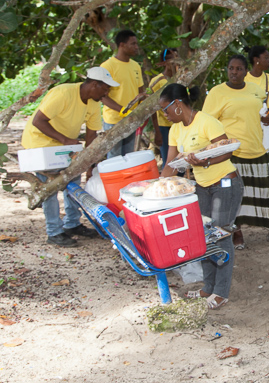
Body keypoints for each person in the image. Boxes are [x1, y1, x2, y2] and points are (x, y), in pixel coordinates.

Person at [159, 84, 242, 310]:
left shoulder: (206, 122)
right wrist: (156, 187)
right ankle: (208, 287)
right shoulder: (176, 130)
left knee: (221, 234)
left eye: (165, 109)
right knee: (203, 235)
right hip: (203, 186)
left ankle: (221, 292)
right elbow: (170, 164)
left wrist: (205, 162)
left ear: (178, 104)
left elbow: (228, 149)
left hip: (225, 183)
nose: (164, 115)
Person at [21, 67, 118, 247]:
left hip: (64, 146)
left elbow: (91, 135)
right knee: (50, 187)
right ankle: (54, 232)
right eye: (105, 89)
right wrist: (65, 140)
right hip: (40, 144)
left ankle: (72, 223)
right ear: (94, 84)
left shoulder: (93, 103)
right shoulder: (63, 93)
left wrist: (88, 163)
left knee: (73, 182)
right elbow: (38, 121)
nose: (106, 94)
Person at [203, 54, 269, 248]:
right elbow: (206, 122)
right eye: (231, 68)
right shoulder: (217, 93)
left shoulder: (255, 90)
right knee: (235, 195)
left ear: (245, 71)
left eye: (239, 69)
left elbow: (266, 109)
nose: (234, 72)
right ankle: (237, 233)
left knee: (267, 191)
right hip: (232, 153)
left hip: (259, 147)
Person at [100, 29, 147, 159]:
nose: (136, 47)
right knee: (114, 158)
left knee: (129, 156)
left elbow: (141, 92)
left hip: (132, 119)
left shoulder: (136, 66)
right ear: (122, 45)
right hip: (113, 120)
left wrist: (140, 112)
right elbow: (102, 96)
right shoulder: (107, 66)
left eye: (136, 44)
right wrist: (123, 110)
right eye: (133, 44)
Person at [150, 48, 179, 168]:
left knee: (181, 159)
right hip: (164, 126)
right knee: (168, 160)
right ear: (164, 62)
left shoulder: (181, 79)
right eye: (171, 59)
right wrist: (157, 132)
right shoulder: (157, 81)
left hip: (179, 125)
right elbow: (151, 109)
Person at [245, 45, 269, 147]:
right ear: (256, 60)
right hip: (251, 130)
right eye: (266, 58)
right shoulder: (244, 79)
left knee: (268, 156)